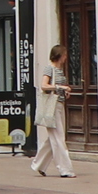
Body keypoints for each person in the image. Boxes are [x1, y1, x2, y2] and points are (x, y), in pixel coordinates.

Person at [31, 44, 76, 177]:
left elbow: (56, 88)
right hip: (52, 106)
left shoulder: (60, 70)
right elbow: (44, 85)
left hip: (59, 105)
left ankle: (38, 164)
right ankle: (65, 169)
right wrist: (60, 87)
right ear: (60, 56)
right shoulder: (49, 68)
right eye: (65, 55)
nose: (66, 58)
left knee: (54, 137)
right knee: (58, 137)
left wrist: (64, 92)